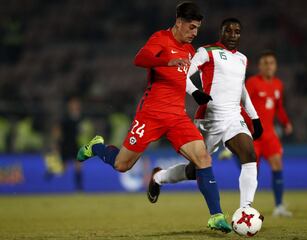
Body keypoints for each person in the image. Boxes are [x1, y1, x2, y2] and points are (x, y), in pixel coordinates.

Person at [76, 2, 231, 233]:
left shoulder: (190, 51)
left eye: (197, 28)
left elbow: (183, 79)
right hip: (151, 115)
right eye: (191, 27)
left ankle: (216, 215)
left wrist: (196, 92)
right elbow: (140, 58)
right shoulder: (160, 38)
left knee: (203, 158)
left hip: (178, 116)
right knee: (122, 165)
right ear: (179, 22)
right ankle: (97, 147)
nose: (194, 32)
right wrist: (165, 61)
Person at [148, 18, 263, 209]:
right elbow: (181, 74)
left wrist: (255, 117)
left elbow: (241, 89)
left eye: (237, 32)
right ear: (221, 32)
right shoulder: (206, 52)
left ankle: (246, 210)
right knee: (194, 171)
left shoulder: (242, 58)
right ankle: (159, 177)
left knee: (249, 155)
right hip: (209, 119)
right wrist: (195, 92)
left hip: (234, 117)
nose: (233, 35)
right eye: (229, 31)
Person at [243, 50, 293, 217]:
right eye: (265, 63)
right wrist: (246, 127)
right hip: (254, 135)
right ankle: (246, 208)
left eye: (271, 63)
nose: (269, 66)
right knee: (251, 171)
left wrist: (286, 123)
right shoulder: (252, 83)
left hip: (270, 135)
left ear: (276, 66)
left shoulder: (278, 84)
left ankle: (279, 206)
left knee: (278, 165)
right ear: (260, 66)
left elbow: (279, 107)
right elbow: (242, 105)